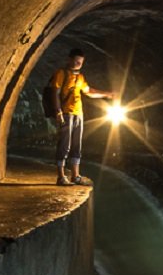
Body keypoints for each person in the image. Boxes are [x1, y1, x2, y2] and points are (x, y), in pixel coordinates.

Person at [46, 49, 113, 185]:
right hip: (66, 113)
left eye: (80, 62)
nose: (78, 64)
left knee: (77, 145)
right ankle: (61, 176)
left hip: (78, 114)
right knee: (64, 145)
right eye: (76, 61)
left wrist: (107, 94)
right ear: (69, 60)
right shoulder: (61, 73)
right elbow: (55, 92)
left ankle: (75, 176)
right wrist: (58, 111)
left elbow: (89, 92)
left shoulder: (80, 77)